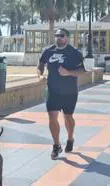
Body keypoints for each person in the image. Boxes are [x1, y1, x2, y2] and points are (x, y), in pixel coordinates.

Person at [37, 28, 86, 159]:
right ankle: (56, 145)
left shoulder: (75, 53)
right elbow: (40, 65)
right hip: (53, 91)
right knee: (52, 117)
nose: (59, 38)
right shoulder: (48, 51)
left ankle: (70, 138)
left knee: (68, 117)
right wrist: (40, 75)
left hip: (70, 92)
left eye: (62, 36)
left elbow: (82, 70)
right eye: (57, 35)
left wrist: (68, 73)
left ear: (67, 38)